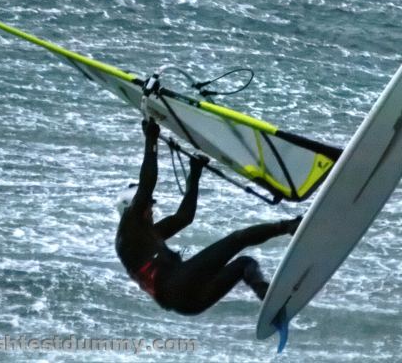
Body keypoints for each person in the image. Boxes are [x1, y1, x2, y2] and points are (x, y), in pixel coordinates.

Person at [115, 118, 301, 315]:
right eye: (148, 205)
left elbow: (184, 217)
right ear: (132, 207)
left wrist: (194, 174)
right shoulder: (128, 234)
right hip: (177, 285)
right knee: (239, 239)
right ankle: (289, 226)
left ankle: (268, 298)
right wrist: (150, 140)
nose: (151, 209)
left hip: (188, 305)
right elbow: (147, 183)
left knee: (245, 265)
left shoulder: (146, 234)